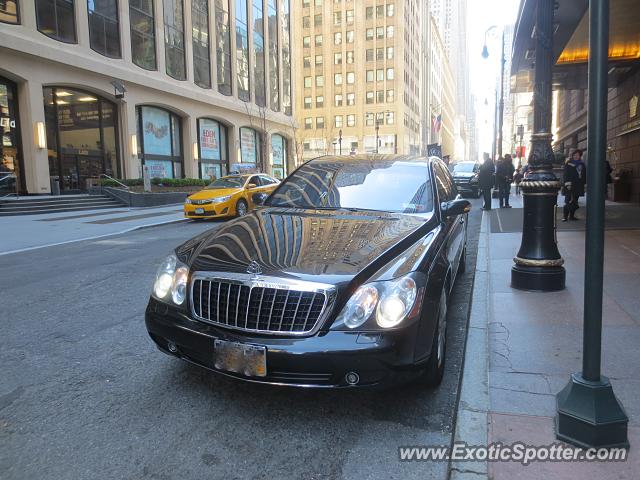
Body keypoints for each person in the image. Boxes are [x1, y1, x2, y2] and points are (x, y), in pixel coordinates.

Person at [562, 149, 586, 221]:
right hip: (570, 185)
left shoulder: (581, 164)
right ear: (572, 156)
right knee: (568, 201)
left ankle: (571, 216)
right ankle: (565, 217)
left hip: (578, 186)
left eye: (578, 155)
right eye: (575, 155)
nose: (576, 156)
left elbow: (584, 175)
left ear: (580, 156)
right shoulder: (568, 163)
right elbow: (566, 175)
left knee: (575, 201)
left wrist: (584, 184)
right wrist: (568, 184)